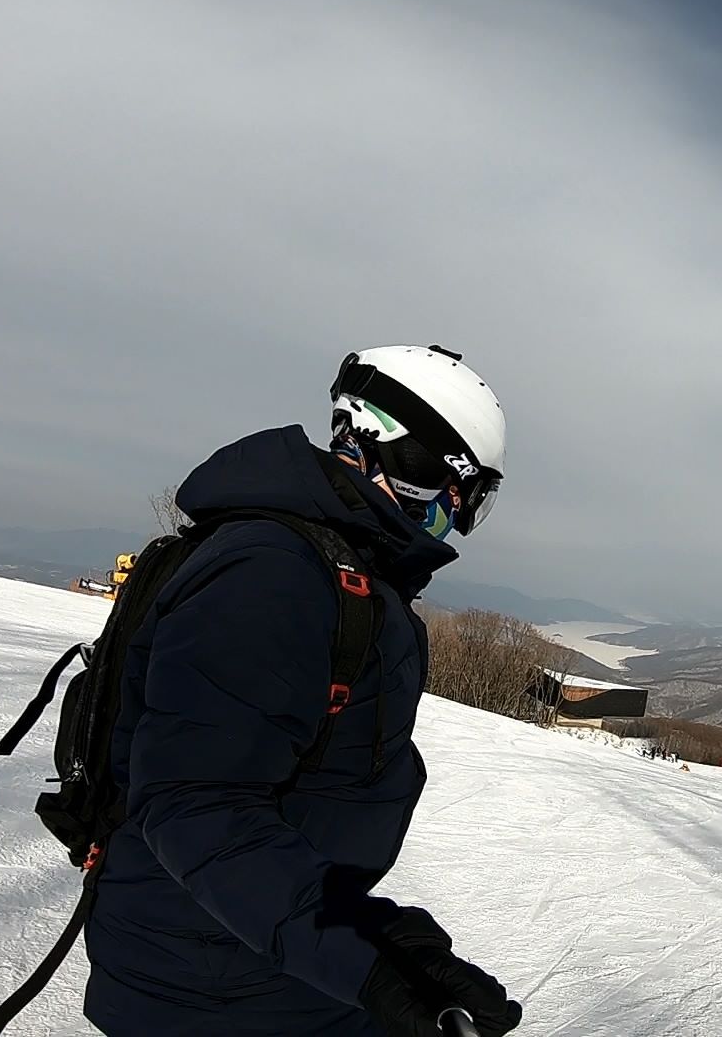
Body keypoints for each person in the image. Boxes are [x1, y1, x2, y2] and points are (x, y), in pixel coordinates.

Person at [82, 345, 521, 1037]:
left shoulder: (337, 573)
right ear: (406, 459)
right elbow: (199, 808)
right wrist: (366, 968)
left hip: (255, 951)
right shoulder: (272, 577)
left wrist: (383, 938)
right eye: (463, 491)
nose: (459, 518)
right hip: (206, 984)